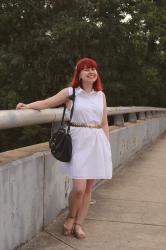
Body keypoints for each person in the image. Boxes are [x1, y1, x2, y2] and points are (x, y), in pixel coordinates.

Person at [16, 58, 112, 240]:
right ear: (79, 74)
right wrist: (28, 106)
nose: (91, 72)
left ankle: (79, 224)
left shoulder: (101, 96)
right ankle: (70, 217)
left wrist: (106, 145)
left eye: (93, 69)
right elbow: (47, 103)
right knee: (78, 188)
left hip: (96, 142)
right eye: (86, 69)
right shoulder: (71, 93)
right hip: (77, 142)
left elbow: (104, 123)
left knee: (88, 189)